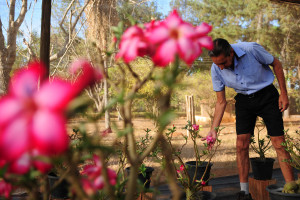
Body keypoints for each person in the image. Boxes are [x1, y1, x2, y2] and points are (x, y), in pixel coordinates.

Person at [206, 38, 295, 200]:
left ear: (231, 53)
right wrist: (213, 129)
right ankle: (244, 192)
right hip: (244, 100)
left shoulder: (251, 49)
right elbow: (221, 101)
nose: (220, 67)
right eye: (217, 64)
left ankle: (292, 187)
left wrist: (283, 93)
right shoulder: (216, 68)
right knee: (241, 144)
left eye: (223, 63)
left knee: (278, 142)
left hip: (267, 96)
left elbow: (277, 64)